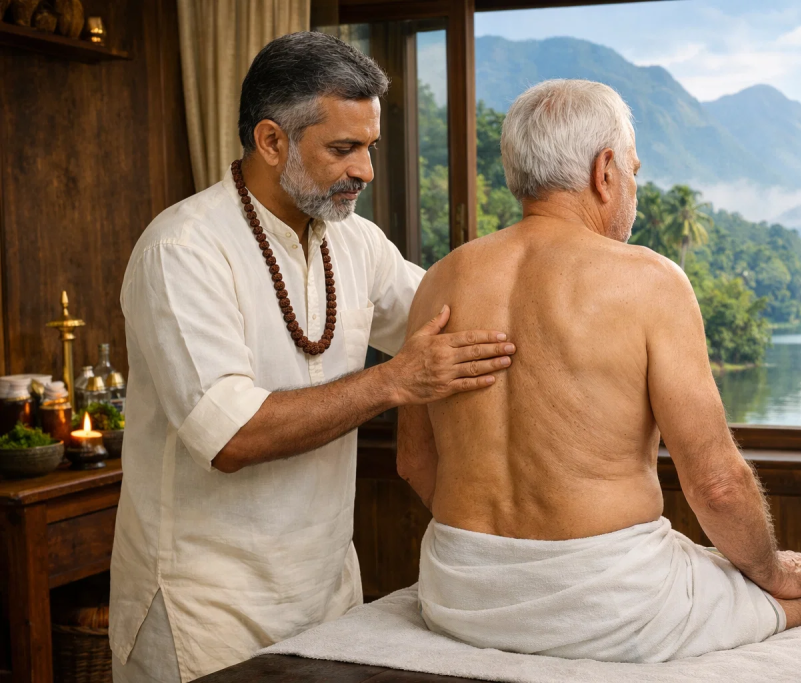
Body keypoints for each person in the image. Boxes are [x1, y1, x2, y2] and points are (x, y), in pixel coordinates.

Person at [111, 32, 515, 682]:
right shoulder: (181, 250)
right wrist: (396, 381)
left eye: (370, 148)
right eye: (343, 148)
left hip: (328, 591)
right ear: (272, 141)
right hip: (206, 608)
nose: (366, 170)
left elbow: (452, 316)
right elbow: (231, 435)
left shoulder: (355, 243)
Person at [397, 79, 801, 663]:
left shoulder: (439, 281)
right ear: (605, 171)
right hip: (609, 606)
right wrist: (772, 572)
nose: (633, 187)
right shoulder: (650, 281)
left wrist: (504, 560)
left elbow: (414, 461)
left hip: (458, 591)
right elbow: (717, 484)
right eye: (634, 171)